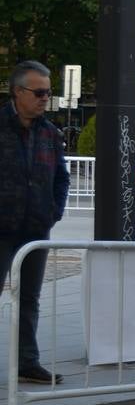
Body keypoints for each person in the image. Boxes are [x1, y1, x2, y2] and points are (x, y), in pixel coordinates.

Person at [1, 61, 70, 384]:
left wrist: (53, 212)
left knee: (29, 297)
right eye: (39, 92)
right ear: (18, 92)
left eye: (48, 92)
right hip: (3, 227)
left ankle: (27, 362)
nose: (45, 99)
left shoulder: (50, 132)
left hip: (35, 229)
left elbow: (61, 178)